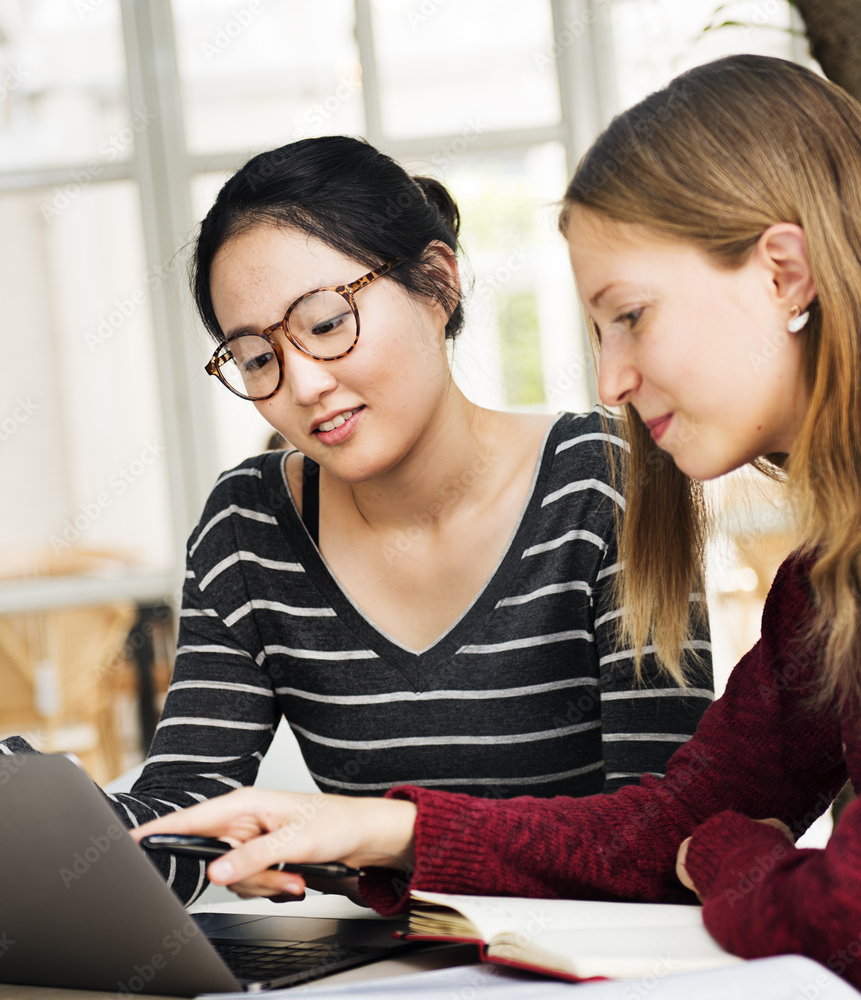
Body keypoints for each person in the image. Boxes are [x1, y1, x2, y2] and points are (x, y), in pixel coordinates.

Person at [129, 55, 861, 987]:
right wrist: (377, 827)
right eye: (254, 354)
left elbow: (837, 908)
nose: (611, 382)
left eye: (630, 315)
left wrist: (725, 857)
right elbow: (671, 824)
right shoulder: (824, 582)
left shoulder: (604, 484)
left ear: (785, 274)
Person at [0, 137, 713, 906]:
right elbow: (184, 832)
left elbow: (665, 835)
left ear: (438, 283)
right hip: (398, 975)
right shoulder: (250, 526)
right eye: (259, 356)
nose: (301, 386)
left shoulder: (606, 485)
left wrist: (391, 837)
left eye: (326, 323)